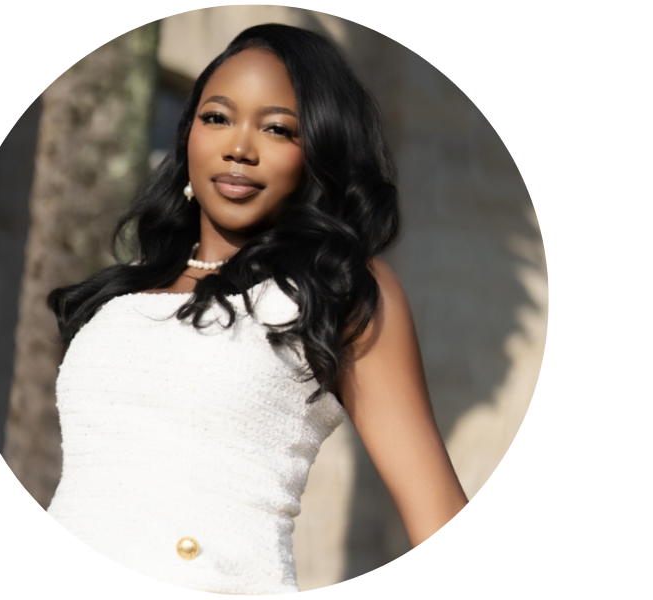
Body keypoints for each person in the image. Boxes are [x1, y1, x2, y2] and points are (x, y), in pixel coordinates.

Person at [46, 23, 468, 594]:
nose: (239, 147)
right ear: (188, 135)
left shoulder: (336, 289)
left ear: (317, 152)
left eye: (277, 129)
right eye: (217, 117)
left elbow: (442, 526)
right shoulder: (121, 298)